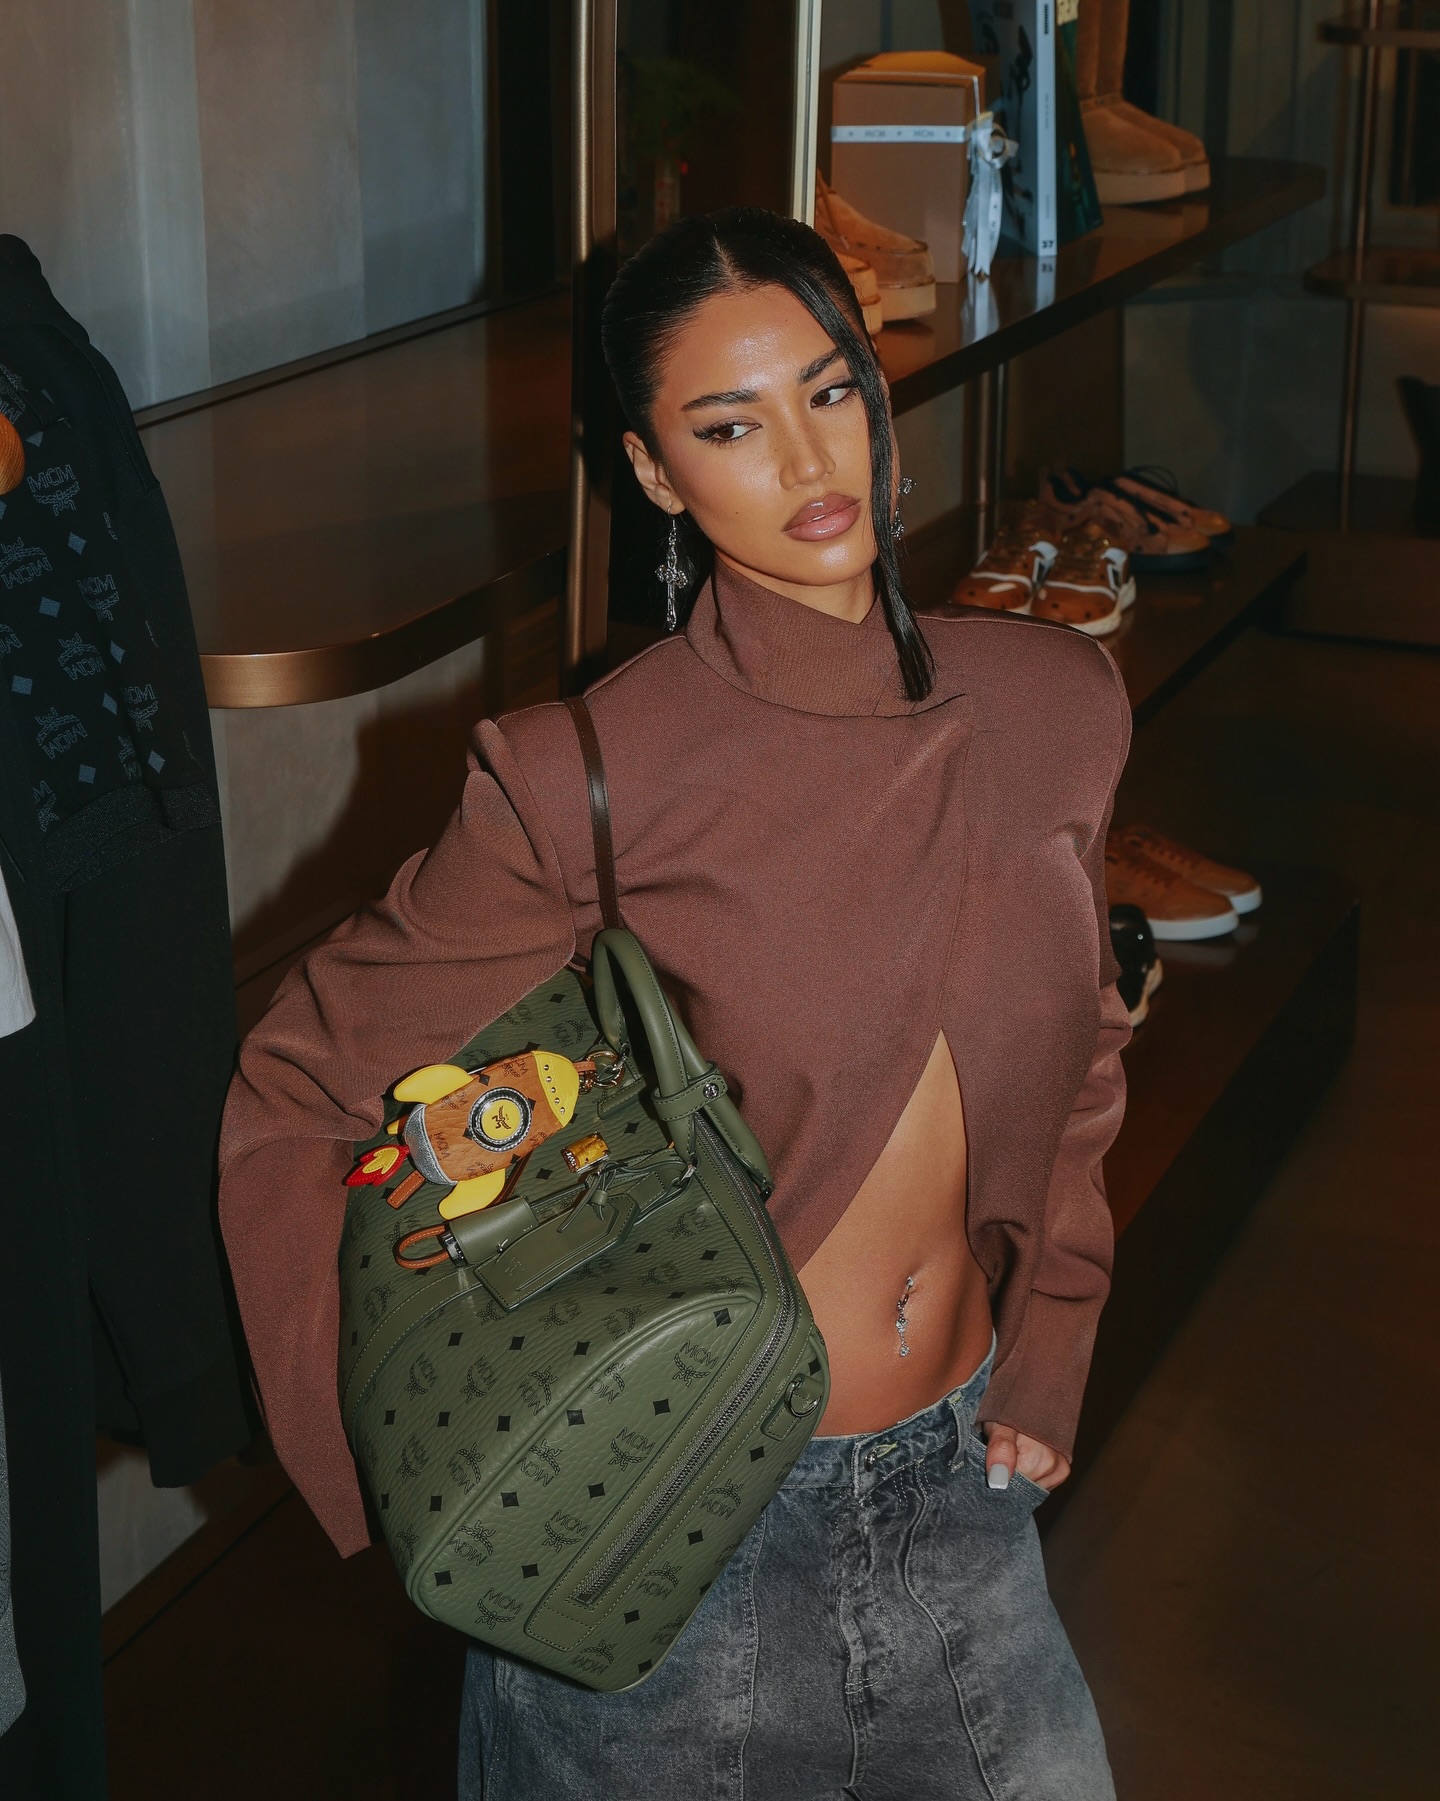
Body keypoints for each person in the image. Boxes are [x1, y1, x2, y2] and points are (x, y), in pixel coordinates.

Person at [219, 207, 1129, 1799]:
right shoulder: (590, 774)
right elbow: (302, 1082)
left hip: (967, 1504)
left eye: (829, 389)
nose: (808, 456)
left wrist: (1055, 1326)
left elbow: (1088, 1046)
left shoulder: (1057, 703)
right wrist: (413, 1474)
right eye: (730, 423)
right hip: (679, 1539)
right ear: (652, 472)